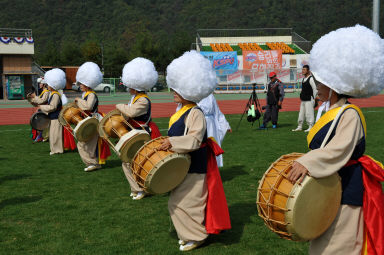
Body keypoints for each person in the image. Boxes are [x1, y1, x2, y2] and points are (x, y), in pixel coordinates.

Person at [287, 25, 384, 255]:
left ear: (334, 87)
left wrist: (308, 162)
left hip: (347, 187)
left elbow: (339, 150)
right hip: (328, 187)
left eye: (320, 84)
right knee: (323, 244)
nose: (317, 88)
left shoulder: (349, 114)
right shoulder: (327, 110)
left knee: (341, 244)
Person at [159, 51, 231, 251]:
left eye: (178, 88)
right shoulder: (182, 110)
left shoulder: (195, 112)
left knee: (189, 202)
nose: (173, 90)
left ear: (189, 89)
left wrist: (171, 143)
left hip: (194, 164)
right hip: (182, 163)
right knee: (179, 201)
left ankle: (197, 236)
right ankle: (189, 233)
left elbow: (194, 139)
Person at [115, 57, 161, 200]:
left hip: (142, 133)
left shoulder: (143, 100)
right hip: (134, 132)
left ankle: (141, 189)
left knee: (135, 161)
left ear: (135, 86)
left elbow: (131, 112)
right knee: (130, 161)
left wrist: (119, 105)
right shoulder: (136, 98)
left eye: (129, 86)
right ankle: (137, 188)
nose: (128, 88)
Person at [74, 62, 111, 172]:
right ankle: (93, 162)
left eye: (81, 83)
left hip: (92, 121)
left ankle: (93, 163)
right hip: (88, 120)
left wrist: (78, 100)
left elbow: (88, 107)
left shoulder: (91, 94)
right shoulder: (86, 94)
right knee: (86, 143)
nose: (80, 85)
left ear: (87, 84)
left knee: (85, 144)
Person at [39, 68, 76, 155]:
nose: (47, 86)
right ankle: (54, 149)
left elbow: (53, 107)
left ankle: (58, 150)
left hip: (56, 117)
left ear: (52, 85)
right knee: (53, 135)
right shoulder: (52, 94)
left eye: (48, 84)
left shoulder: (55, 95)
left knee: (56, 135)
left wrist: (41, 107)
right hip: (53, 117)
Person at [198, 93, 231, 167]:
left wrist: (225, 125)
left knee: (211, 146)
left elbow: (217, 111)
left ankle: (212, 168)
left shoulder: (210, 96)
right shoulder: (191, 95)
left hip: (210, 126)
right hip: (197, 122)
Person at [292, 65, 317, 132]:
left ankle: (310, 126)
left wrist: (314, 98)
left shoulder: (311, 79)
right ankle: (299, 126)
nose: (303, 71)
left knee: (309, 113)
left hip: (309, 99)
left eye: (304, 69)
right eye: (302, 69)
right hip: (303, 99)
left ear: (308, 71)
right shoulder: (303, 79)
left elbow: (315, 89)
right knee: (301, 114)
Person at [29, 77, 50, 143]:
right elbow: (39, 101)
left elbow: (42, 101)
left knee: (43, 124)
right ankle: (40, 136)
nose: (39, 85)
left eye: (40, 83)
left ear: (44, 84)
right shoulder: (43, 92)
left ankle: (42, 137)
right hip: (42, 109)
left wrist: (34, 97)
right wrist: (31, 99)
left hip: (45, 110)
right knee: (41, 124)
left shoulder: (46, 92)